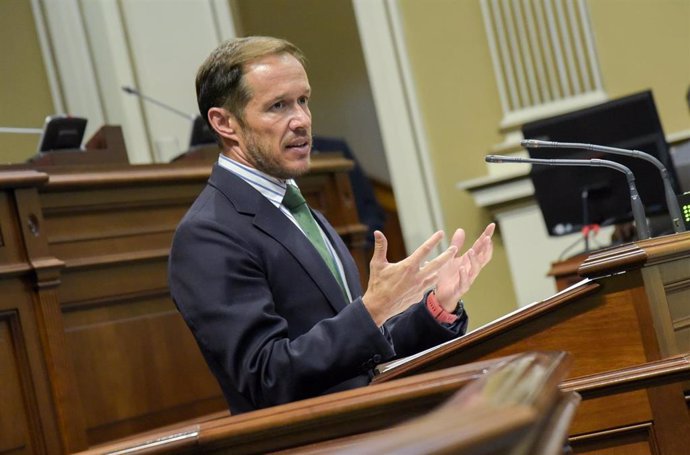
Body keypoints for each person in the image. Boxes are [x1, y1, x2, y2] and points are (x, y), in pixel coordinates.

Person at [169, 36, 495, 415]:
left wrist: (437, 307)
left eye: (303, 100)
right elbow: (266, 378)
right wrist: (372, 310)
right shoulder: (208, 234)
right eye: (278, 106)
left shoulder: (299, 210)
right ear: (224, 122)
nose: (302, 120)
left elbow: (360, 353)